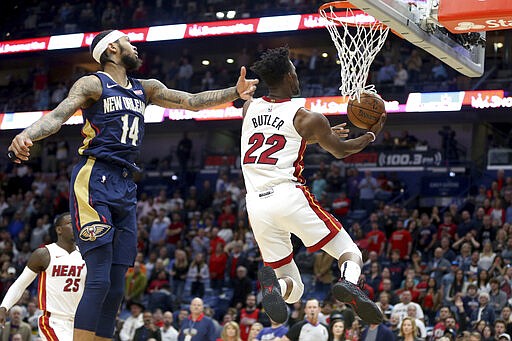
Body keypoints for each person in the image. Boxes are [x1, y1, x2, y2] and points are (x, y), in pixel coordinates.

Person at [7, 30, 257, 341]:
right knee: (98, 278)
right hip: (94, 178)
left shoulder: (146, 88)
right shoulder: (93, 83)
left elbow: (191, 102)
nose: (134, 45)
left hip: (125, 185)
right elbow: (58, 116)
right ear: (111, 48)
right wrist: (27, 134)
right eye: (128, 40)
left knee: (116, 284)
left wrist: (234, 91)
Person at [241, 47, 385, 325]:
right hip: (287, 194)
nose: (297, 75)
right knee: (349, 250)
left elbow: (274, 134)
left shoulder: (249, 107)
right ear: (286, 76)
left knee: (293, 289)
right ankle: (350, 282)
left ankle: (276, 288)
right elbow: (342, 151)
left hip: (256, 205)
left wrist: (319, 137)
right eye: (294, 71)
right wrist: (370, 134)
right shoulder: (307, 117)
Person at [0, 213, 86, 341]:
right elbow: (20, 284)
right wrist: (4, 307)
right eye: (70, 223)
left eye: (77, 222)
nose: (76, 225)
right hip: (53, 321)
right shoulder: (44, 254)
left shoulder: (86, 255)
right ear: (59, 230)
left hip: (81, 321)